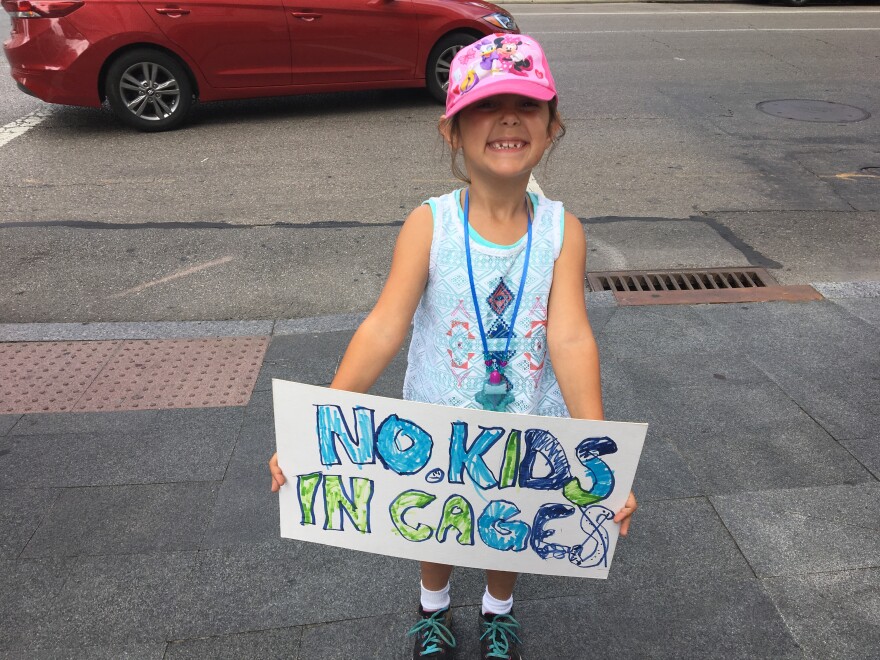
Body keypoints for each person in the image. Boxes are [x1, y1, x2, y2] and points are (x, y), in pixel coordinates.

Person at [269, 33, 637, 660]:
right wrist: (318, 421)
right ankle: (432, 605)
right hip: (439, 424)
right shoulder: (429, 224)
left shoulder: (562, 231)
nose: (509, 119)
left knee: (507, 527)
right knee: (437, 521)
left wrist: (597, 452)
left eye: (528, 104)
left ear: (551, 128)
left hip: (525, 424)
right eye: (488, 106)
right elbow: (386, 324)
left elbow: (570, 335)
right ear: (453, 131)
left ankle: (499, 610)